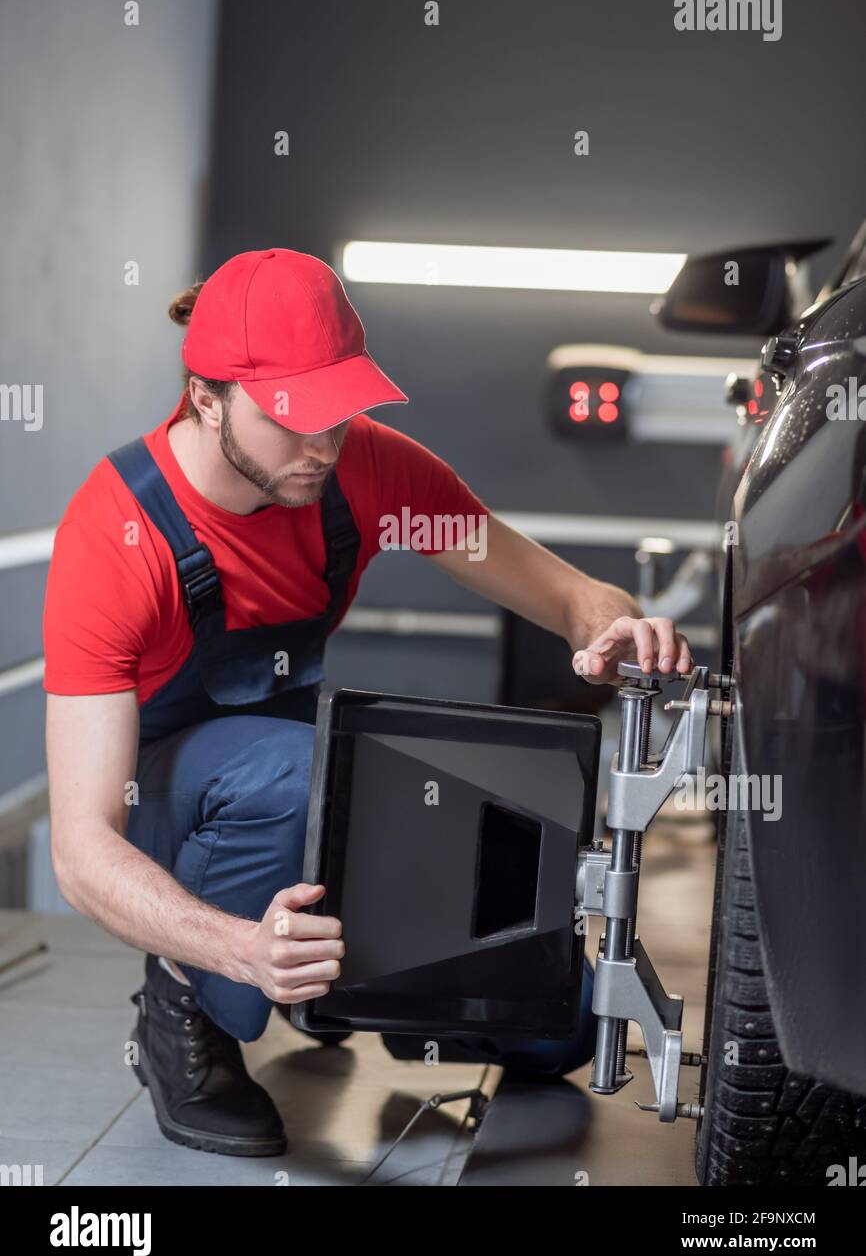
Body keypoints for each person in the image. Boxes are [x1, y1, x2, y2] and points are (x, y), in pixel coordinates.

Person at [43, 247, 694, 1156]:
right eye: (292, 419)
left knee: (556, 1030)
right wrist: (235, 949)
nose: (322, 446)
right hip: (166, 804)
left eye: (340, 414)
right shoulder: (117, 538)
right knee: (297, 771)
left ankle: (353, 995)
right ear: (205, 395)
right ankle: (182, 1004)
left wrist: (617, 622)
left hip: (294, 772)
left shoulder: (366, 472)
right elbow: (81, 850)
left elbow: (566, 594)